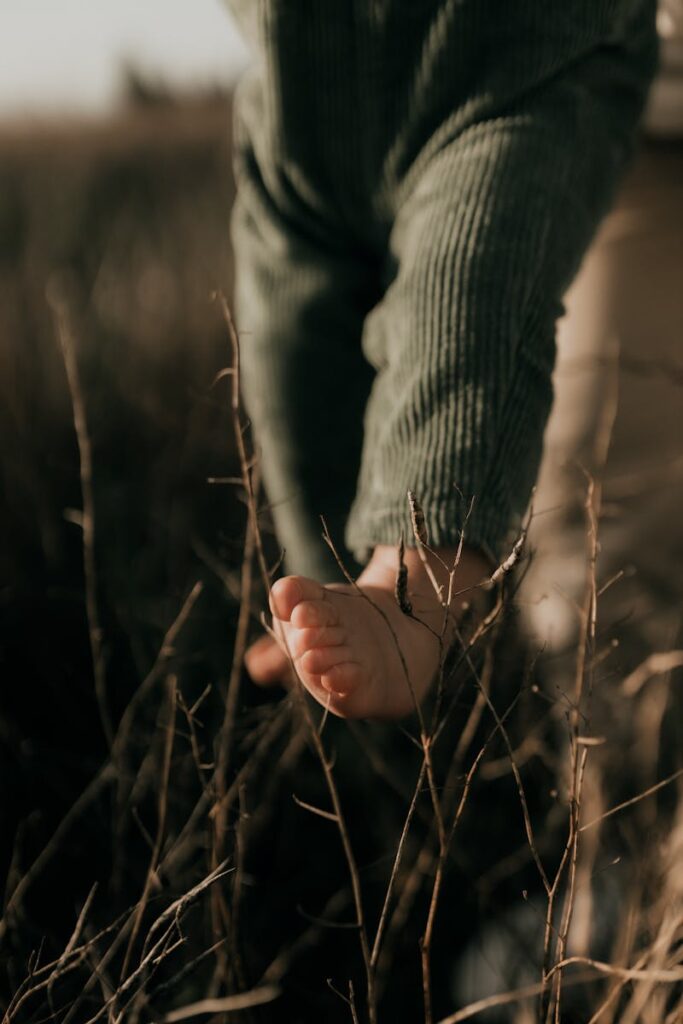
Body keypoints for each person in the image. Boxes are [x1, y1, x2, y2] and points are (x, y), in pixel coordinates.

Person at [226, 1, 658, 719]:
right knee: (288, 366)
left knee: (466, 291)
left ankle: (411, 589)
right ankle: (324, 585)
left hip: (510, 63)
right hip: (299, 83)